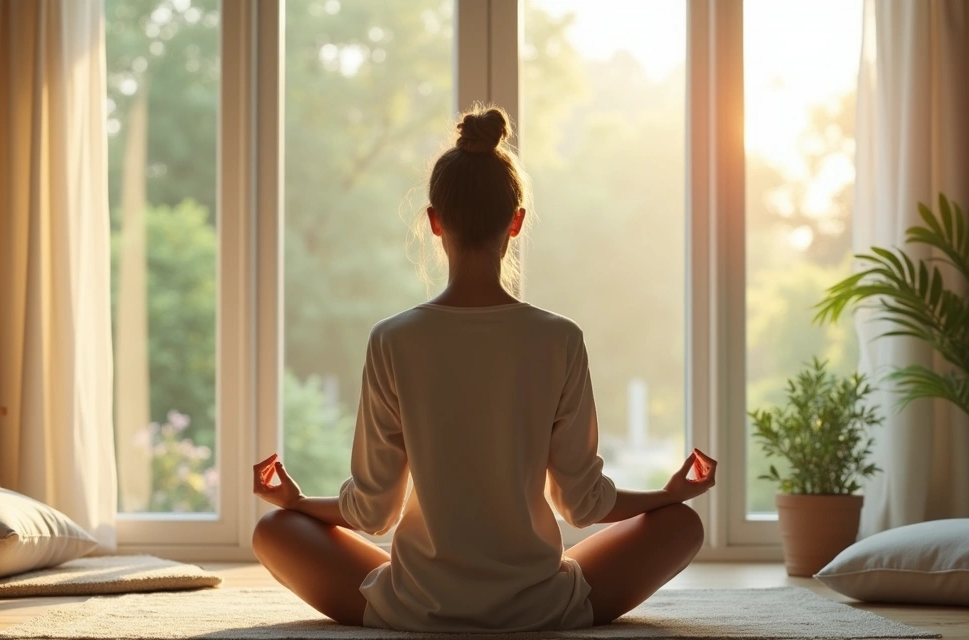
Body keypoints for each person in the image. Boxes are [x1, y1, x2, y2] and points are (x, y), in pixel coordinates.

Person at [251, 106, 716, 632]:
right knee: (681, 525)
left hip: (417, 606)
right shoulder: (559, 338)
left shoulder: (393, 339)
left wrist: (294, 501)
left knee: (273, 529)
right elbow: (582, 503)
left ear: (433, 222)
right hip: (539, 606)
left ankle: (421, 598)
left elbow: (372, 513)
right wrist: (667, 496)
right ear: (516, 222)